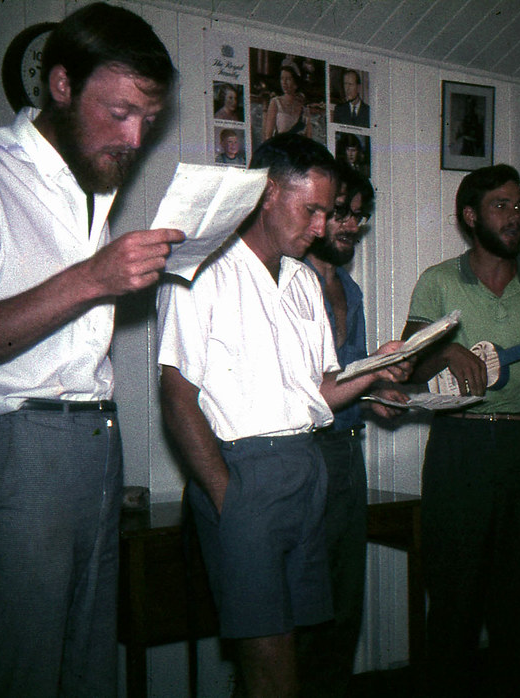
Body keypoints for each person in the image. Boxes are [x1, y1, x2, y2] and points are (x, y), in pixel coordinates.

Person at [0, 4, 181, 696]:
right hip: (20, 456)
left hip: (96, 447)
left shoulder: (88, 189)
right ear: (60, 85)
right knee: (19, 676)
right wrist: (94, 277)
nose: (134, 137)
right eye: (119, 113)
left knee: (89, 674)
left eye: (148, 120)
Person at [157, 133, 411, 697]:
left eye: (327, 211)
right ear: (267, 193)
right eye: (312, 210)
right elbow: (177, 396)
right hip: (245, 471)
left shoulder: (301, 281)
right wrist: (228, 497)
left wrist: (375, 367)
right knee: (264, 653)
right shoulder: (202, 270)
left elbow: (320, 389)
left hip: (307, 467)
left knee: (293, 643)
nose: (321, 227)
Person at [402, 164, 520, 697]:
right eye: (501, 205)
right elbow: (407, 364)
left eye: (519, 206)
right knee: (453, 596)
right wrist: (444, 347)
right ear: (470, 217)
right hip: (461, 446)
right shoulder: (438, 280)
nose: (514, 216)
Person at [295, 169, 405, 697]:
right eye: (341, 212)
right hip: (299, 455)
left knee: (344, 608)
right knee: (299, 613)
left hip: (346, 456)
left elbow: (346, 382)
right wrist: (369, 374)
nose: (351, 225)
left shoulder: (352, 289)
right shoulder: (286, 282)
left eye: (359, 215)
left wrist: (377, 396)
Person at [261, 62, 312, 142]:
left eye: (288, 79)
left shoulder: (304, 107)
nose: (284, 82)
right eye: (282, 78)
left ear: (295, 81)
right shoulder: (276, 102)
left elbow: (309, 138)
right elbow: (268, 136)